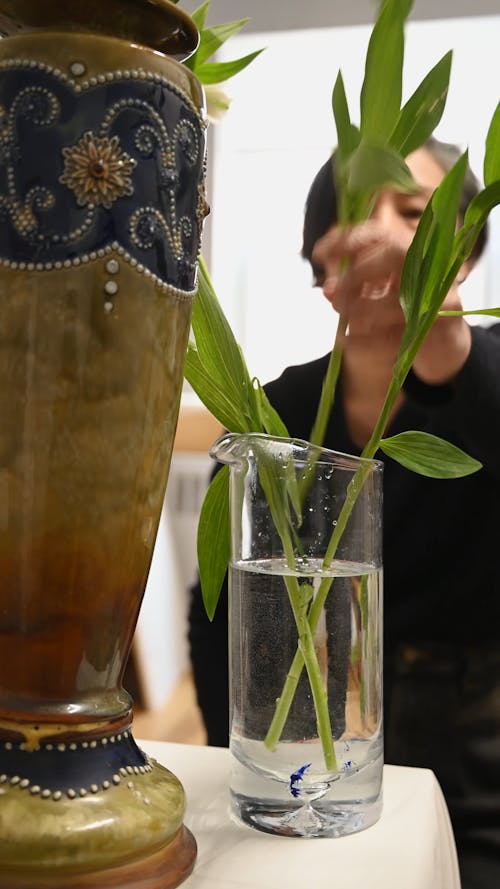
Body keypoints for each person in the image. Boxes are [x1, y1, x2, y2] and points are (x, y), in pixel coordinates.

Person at [188, 137, 500, 889]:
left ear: (463, 255)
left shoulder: (490, 378)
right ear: (325, 266)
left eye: (417, 214)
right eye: (361, 218)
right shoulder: (275, 415)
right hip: (315, 755)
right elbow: (218, 617)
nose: (389, 236)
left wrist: (447, 341)